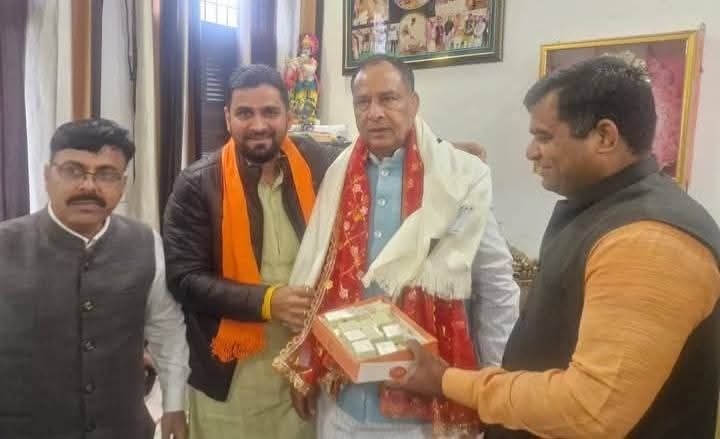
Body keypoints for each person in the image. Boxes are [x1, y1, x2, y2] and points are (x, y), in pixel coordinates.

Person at [389, 56, 720, 439]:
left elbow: (590, 409)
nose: (531, 152)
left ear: (605, 137)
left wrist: (449, 381)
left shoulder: (650, 241)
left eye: (544, 137)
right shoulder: (605, 209)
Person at [274, 54, 520, 438]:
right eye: (363, 102)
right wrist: (306, 364)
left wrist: (491, 386)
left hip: (425, 410)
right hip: (343, 399)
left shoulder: (457, 179)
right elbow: (316, 276)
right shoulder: (337, 173)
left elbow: (497, 289)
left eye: (388, 99)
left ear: (413, 103)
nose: (374, 113)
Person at [162, 65, 340, 438]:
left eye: (270, 112)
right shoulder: (197, 183)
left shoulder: (317, 165)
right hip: (233, 373)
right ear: (228, 118)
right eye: (245, 113)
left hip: (305, 363)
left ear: (289, 116)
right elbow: (184, 280)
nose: (259, 125)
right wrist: (268, 302)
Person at [0, 118, 190, 439]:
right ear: (47, 176)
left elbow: (167, 330)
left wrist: (174, 405)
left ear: (123, 184)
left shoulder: (146, 243)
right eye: (73, 170)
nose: (88, 186)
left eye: (106, 174)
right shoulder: (5, 244)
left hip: (124, 428)